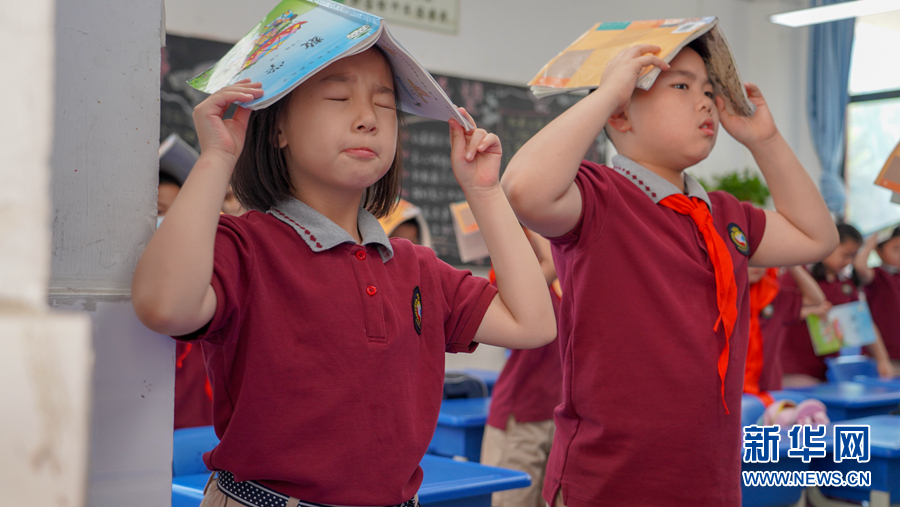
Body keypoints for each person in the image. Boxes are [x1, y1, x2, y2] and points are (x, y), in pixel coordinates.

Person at [132, 47, 556, 507]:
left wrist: (484, 190)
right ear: (277, 129)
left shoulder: (416, 267)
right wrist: (216, 158)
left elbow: (532, 324)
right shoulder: (246, 247)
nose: (368, 119)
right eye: (338, 98)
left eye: (385, 103)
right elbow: (164, 306)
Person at [500, 40, 838, 507]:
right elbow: (523, 188)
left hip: (710, 482)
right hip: (610, 485)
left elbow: (817, 237)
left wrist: (766, 141)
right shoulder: (600, 198)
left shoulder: (726, 215)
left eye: (709, 90)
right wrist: (607, 93)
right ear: (621, 114)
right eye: (681, 86)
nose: (705, 102)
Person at [480, 228, 562, 507]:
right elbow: (551, 263)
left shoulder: (565, 283)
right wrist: (535, 224)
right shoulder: (515, 281)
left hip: (557, 418)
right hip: (520, 418)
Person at [781, 223, 894, 387]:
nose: (849, 261)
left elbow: (864, 323)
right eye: (845, 255)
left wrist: (882, 360)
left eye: (853, 256)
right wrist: (809, 311)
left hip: (825, 368)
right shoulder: (798, 275)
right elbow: (778, 312)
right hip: (794, 366)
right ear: (828, 246)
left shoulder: (845, 284)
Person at [744, 265, 830, 404]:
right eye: (750, 260)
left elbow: (816, 299)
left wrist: (791, 262)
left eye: (762, 261)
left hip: (768, 390)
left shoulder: (774, 296)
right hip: (732, 391)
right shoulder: (722, 295)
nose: (757, 266)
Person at [855, 226, 900, 369]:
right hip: (880, 357)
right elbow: (859, 266)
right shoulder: (877, 275)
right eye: (896, 249)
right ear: (879, 251)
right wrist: (870, 244)